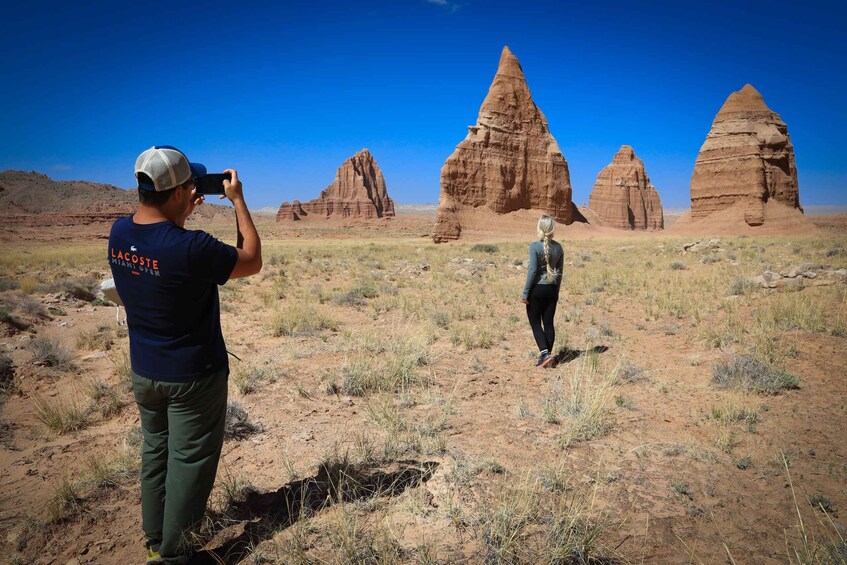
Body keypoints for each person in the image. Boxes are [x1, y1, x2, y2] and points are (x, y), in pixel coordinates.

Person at [108, 146, 262, 564]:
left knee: (156, 451)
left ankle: (155, 536)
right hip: (193, 376)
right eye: (190, 184)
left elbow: (158, 242)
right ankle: (174, 557)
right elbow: (251, 259)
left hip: (145, 371)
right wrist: (238, 201)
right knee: (189, 464)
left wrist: (180, 212)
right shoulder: (192, 247)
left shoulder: (119, 232)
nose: (196, 189)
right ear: (177, 193)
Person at [520, 215, 564, 368]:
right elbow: (560, 273)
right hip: (551, 290)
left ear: (540, 228)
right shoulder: (558, 247)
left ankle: (545, 354)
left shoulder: (534, 246)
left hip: (537, 290)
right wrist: (556, 292)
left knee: (535, 323)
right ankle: (548, 356)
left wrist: (525, 293)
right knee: (549, 323)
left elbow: (532, 272)